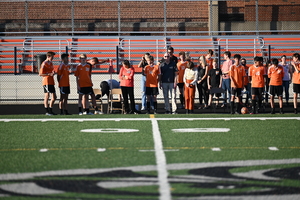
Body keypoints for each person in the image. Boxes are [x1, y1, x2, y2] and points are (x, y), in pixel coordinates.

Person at [39, 51, 57, 115]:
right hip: (46, 81)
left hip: (51, 81)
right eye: (52, 57)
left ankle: (50, 110)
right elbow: (40, 74)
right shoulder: (44, 63)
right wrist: (49, 74)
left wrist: (53, 73)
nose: (53, 58)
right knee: (47, 95)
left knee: (54, 97)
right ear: (48, 56)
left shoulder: (51, 63)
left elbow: (51, 71)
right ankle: (47, 111)